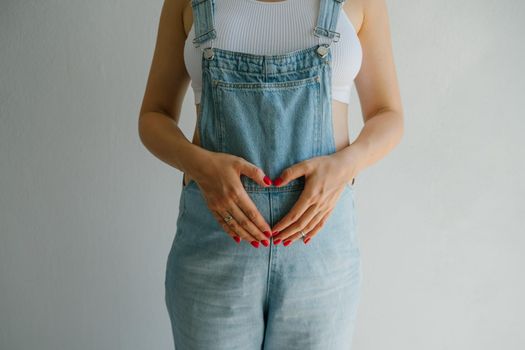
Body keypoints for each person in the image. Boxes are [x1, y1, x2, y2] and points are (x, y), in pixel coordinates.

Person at [138, 0, 403, 348]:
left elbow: (387, 114)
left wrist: (345, 165)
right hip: (214, 244)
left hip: (321, 250)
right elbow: (154, 116)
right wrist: (199, 164)